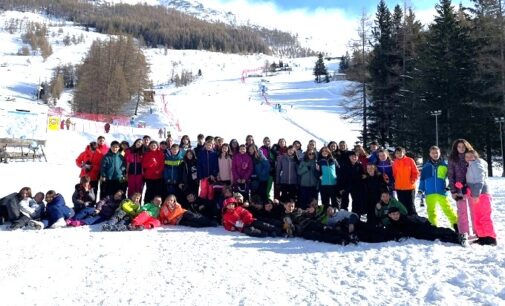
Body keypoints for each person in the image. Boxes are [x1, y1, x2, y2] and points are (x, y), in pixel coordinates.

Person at [418, 146, 458, 229]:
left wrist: (449, 187)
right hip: (429, 193)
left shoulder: (444, 166)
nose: (435, 154)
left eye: (437, 153)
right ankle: (433, 227)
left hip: (441, 192)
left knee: (448, 209)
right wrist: (420, 190)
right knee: (431, 211)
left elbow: (452, 178)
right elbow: (422, 180)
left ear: (440, 153)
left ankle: (456, 225)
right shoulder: (426, 166)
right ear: (430, 154)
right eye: (433, 153)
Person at [386, 207, 468, 247]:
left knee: (437, 231)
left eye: (397, 214)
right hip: (418, 234)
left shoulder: (405, 218)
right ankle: (457, 240)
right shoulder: (392, 224)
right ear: (389, 215)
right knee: (436, 237)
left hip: (422, 226)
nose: (396, 216)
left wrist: (425, 222)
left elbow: (416, 218)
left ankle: (458, 235)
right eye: (393, 214)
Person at [465, 150, 497, 245]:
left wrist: (476, 194)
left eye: (471, 156)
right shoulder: (471, 165)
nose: (469, 158)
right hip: (476, 195)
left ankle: (490, 238)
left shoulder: (477, 165)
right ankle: (482, 236)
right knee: (478, 216)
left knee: (484, 216)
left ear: (476, 156)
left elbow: (479, 181)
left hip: (481, 195)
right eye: (467, 156)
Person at [448, 139, 474, 237]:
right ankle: (464, 233)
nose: (461, 148)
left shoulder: (472, 156)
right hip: (459, 189)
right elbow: (450, 175)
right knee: (462, 212)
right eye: (459, 147)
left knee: (474, 212)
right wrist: (453, 191)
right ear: (456, 148)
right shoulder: (452, 158)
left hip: (472, 188)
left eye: (463, 146)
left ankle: (478, 232)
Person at [392, 147, 419, 215]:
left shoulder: (410, 160)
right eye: (397, 153)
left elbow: (415, 172)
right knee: (402, 206)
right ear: (395, 154)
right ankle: (405, 221)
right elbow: (394, 174)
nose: (399, 154)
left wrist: (412, 181)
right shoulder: (394, 162)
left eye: (401, 152)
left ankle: (414, 220)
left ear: (404, 153)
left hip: (409, 187)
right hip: (399, 188)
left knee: (410, 205)